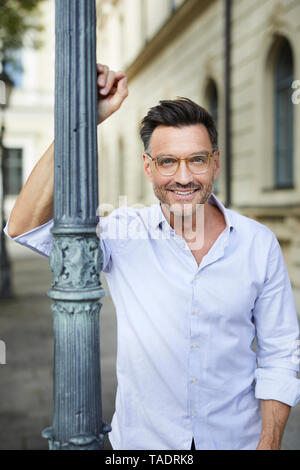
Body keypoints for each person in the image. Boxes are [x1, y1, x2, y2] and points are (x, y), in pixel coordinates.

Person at [4, 64, 300, 451]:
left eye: (196, 159)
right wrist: (82, 120)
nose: (183, 177)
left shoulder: (258, 243)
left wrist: (270, 442)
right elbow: (23, 226)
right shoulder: (123, 233)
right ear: (148, 166)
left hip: (238, 441)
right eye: (167, 162)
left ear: (215, 162)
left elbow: (281, 353)